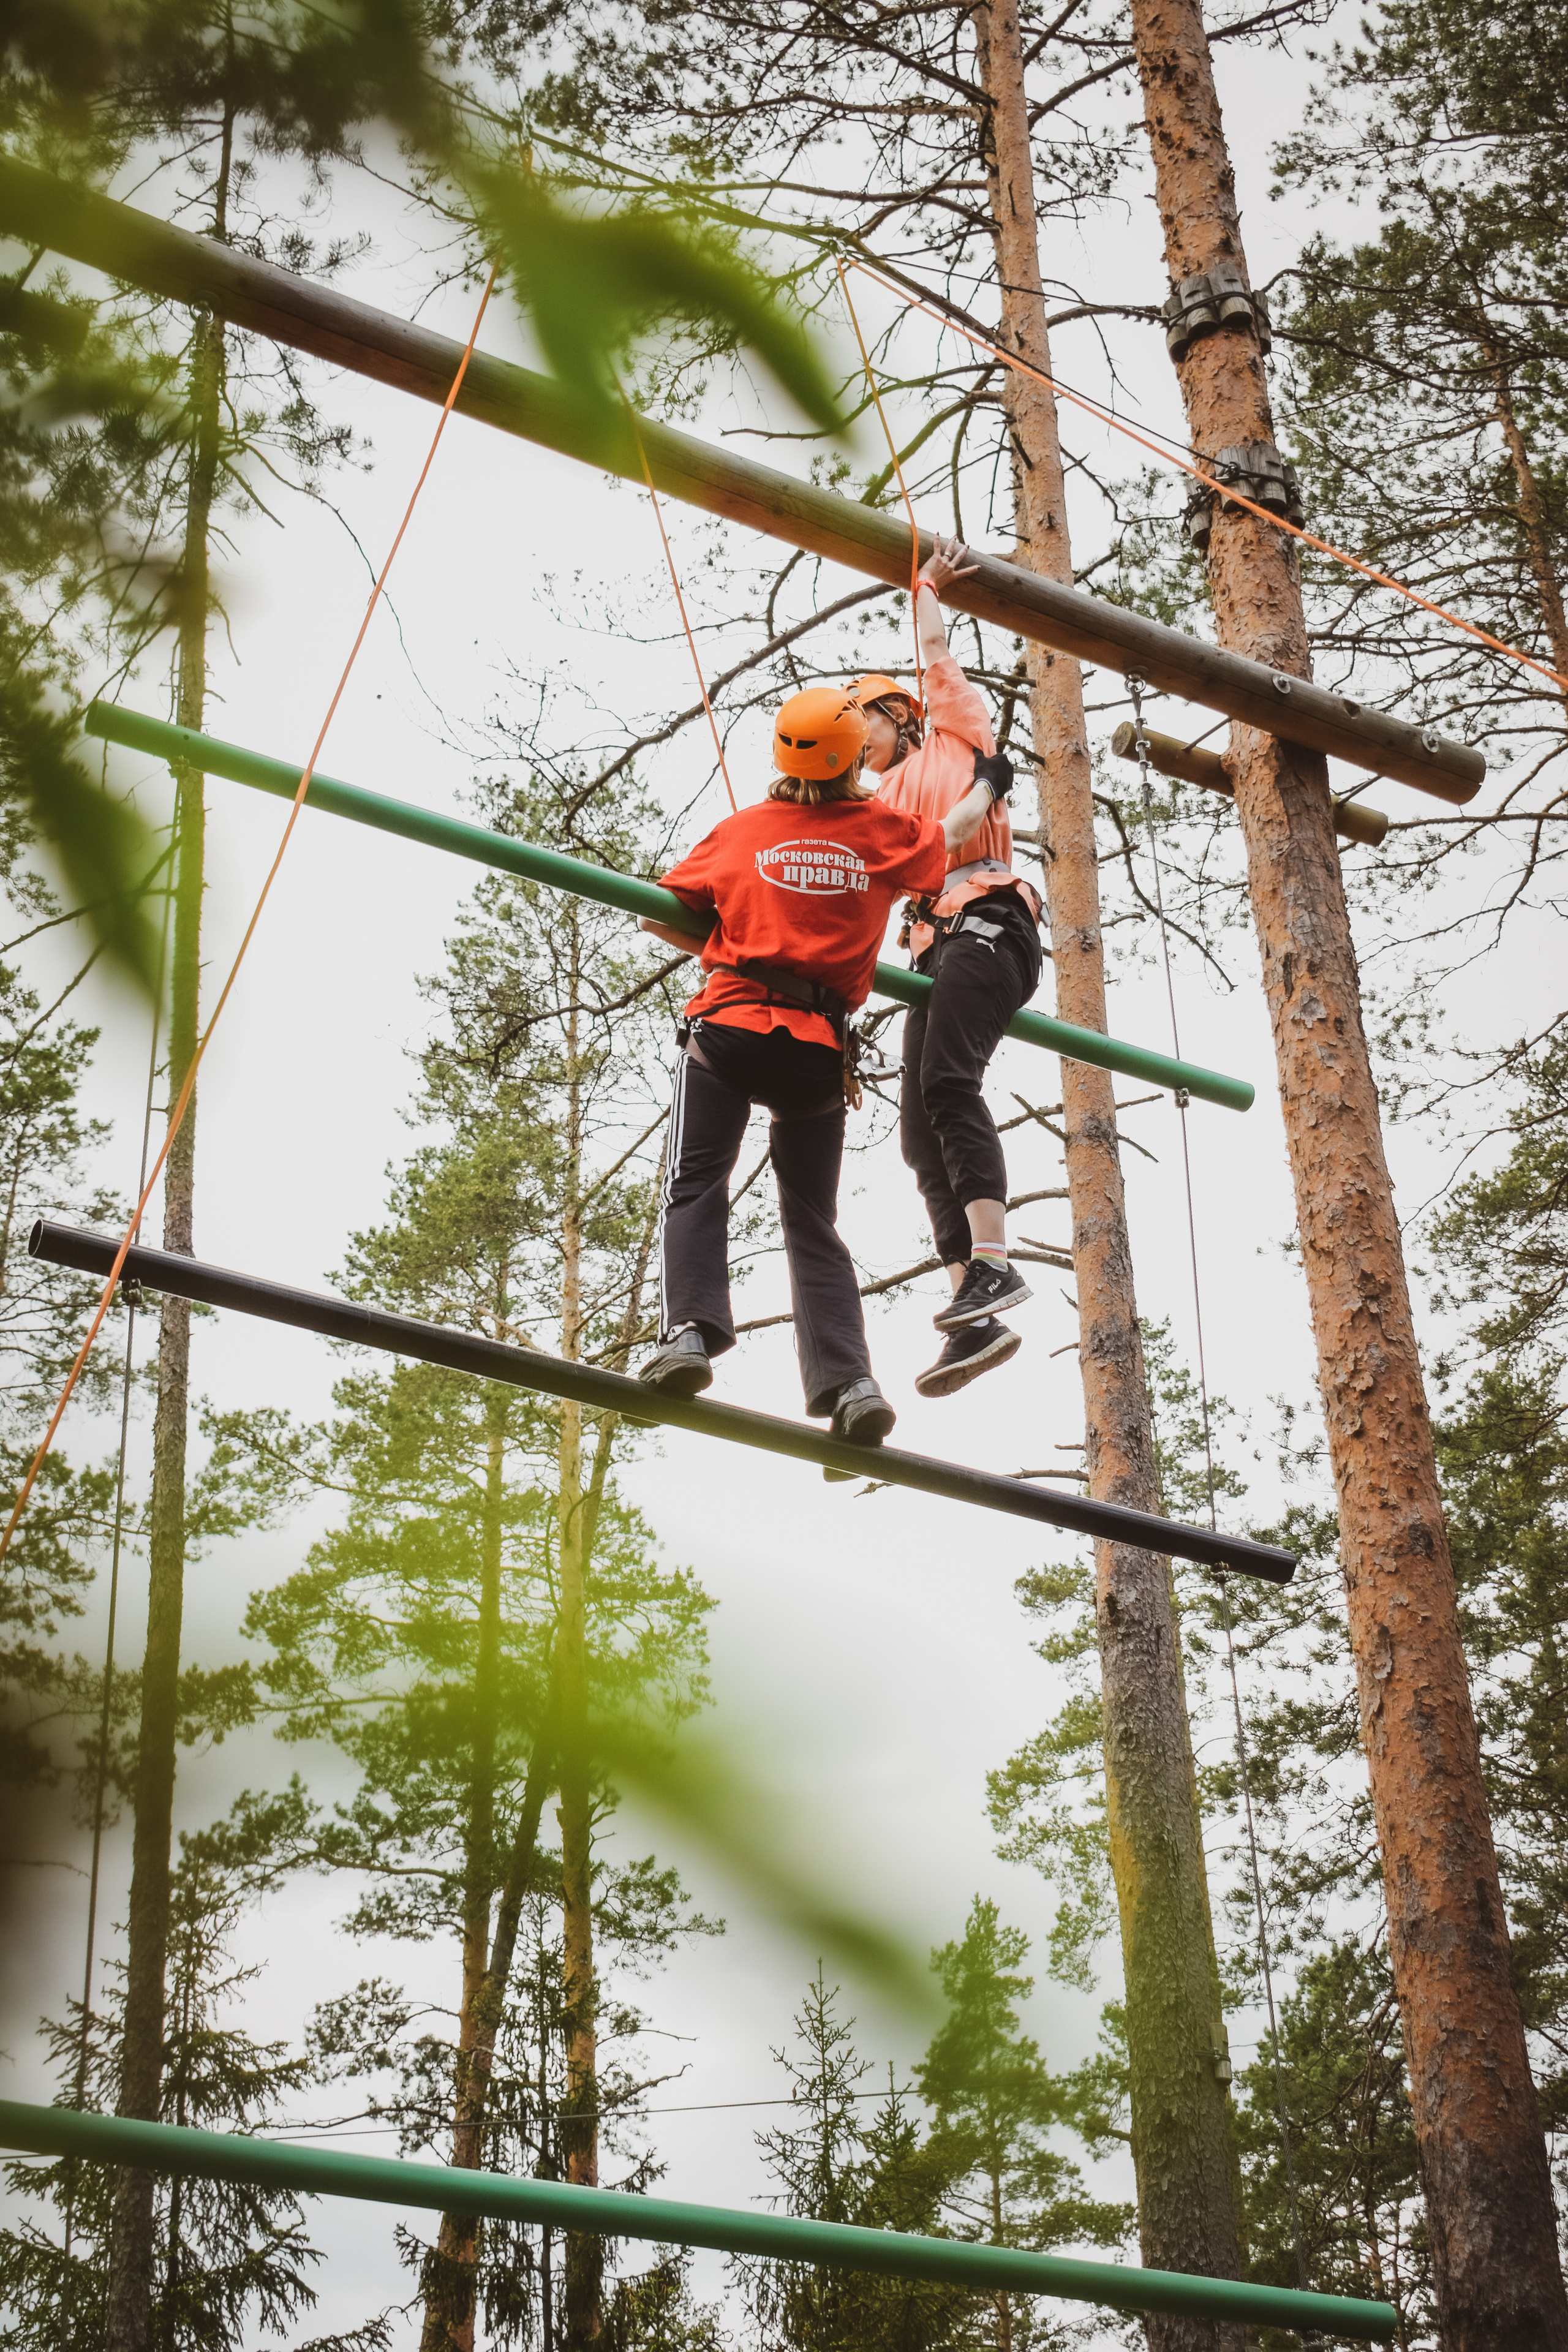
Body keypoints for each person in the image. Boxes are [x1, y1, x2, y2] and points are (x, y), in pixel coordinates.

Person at [635, 684, 1003, 1472]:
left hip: (729, 1027)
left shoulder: (742, 830)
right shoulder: (879, 831)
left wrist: (730, 940)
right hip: (813, 1046)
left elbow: (657, 913)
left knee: (697, 1184)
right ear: (850, 760)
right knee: (812, 1220)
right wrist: (987, 782)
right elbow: (953, 832)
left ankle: (690, 1334)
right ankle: (849, 1385)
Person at [851, 535, 1044, 1400]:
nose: (861, 749)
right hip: (935, 944)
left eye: (867, 728)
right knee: (918, 1134)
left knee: (948, 1082)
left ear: (900, 717)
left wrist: (925, 584)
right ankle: (973, 1299)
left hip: (991, 919)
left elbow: (933, 651)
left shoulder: (957, 734)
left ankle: (995, 1264)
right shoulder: (876, 803)